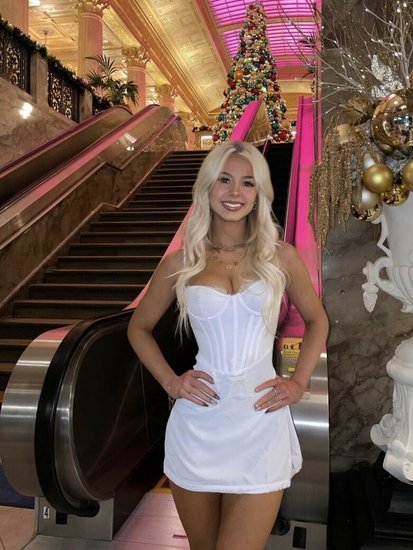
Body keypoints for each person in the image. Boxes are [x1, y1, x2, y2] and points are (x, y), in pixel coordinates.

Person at [127, 140, 329, 550]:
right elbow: (138, 328)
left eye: (248, 183)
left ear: (259, 193)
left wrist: (298, 383)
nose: (236, 192)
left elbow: (317, 320)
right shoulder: (182, 262)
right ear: (207, 186)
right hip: (199, 422)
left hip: (260, 421)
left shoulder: (282, 257)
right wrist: (171, 382)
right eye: (224, 180)